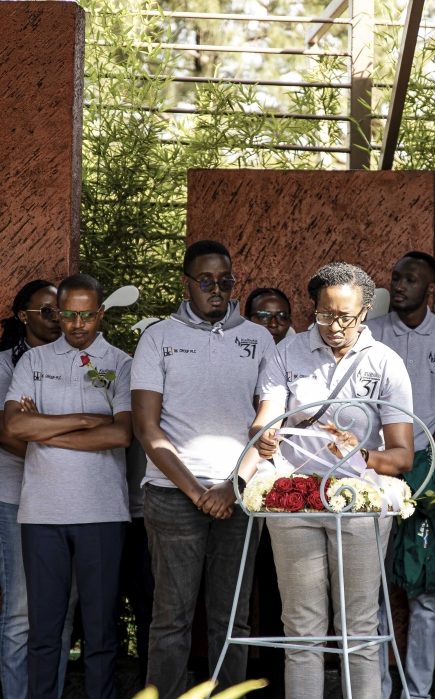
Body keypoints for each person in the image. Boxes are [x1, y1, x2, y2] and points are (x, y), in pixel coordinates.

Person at [251, 262, 415, 698]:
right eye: (325, 315)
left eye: (346, 317)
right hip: (294, 501)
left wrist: (359, 454)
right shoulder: (287, 353)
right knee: (301, 629)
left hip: (359, 505)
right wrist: (263, 435)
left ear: (365, 312)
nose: (335, 326)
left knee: (358, 627)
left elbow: (403, 456)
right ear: (313, 309)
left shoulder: (385, 362)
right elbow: (266, 418)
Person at [132, 240, 275, 697]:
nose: (217, 289)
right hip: (173, 497)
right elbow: (146, 427)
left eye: (226, 281)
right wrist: (199, 493)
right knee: (171, 618)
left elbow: (267, 423)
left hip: (239, 495)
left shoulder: (259, 338)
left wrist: (232, 487)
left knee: (232, 619)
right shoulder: (159, 337)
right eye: (207, 281)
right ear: (186, 284)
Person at [4, 273, 133, 699]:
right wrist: (85, 420)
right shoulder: (33, 361)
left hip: (103, 512)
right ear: (57, 313)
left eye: (87, 315)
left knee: (101, 633)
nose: (78, 324)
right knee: (44, 632)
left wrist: (45, 430)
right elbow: (15, 426)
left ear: (101, 313)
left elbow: (121, 434)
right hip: (42, 513)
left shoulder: (121, 363)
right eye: (69, 315)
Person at [368, 251, 435, 699]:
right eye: (396, 277)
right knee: (371, 589)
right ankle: (375, 688)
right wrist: (384, 462)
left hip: (429, 477)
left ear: (431, 289)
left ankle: (418, 693)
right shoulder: (369, 332)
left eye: (411, 279)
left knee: (425, 591)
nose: (400, 285)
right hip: (373, 475)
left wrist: (424, 468)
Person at [0, 279, 79, 699]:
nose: (58, 318)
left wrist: (36, 425)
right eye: (48, 310)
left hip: (70, 501)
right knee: (21, 611)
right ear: (24, 316)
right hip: (14, 499)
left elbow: (104, 423)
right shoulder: (5, 364)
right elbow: (0, 430)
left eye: (63, 311)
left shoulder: (79, 361)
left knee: (61, 612)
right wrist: (67, 440)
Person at [242, 285, 292, 689]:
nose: (273, 323)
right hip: (236, 485)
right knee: (236, 591)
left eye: (281, 316)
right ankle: (234, 683)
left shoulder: (298, 359)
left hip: (284, 491)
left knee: (279, 592)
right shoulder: (237, 355)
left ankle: (277, 684)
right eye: (263, 315)